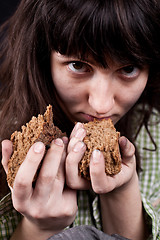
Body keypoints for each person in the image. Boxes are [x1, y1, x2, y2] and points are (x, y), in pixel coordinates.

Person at [0, 0, 160, 239]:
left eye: (128, 69)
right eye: (78, 65)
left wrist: (121, 192)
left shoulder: (155, 135)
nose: (101, 105)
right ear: (43, 59)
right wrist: (37, 228)